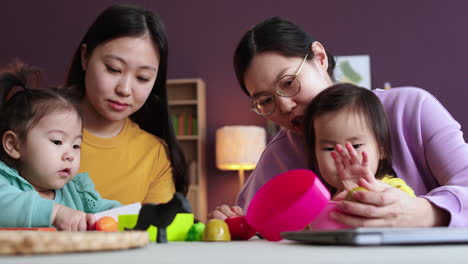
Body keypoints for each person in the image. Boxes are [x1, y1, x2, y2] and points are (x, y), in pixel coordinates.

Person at [210, 16, 468, 228]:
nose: (285, 106)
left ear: (319, 58)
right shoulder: (278, 157)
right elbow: (253, 224)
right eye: (265, 100)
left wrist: (425, 212)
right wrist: (231, 223)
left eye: (288, 83)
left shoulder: (411, 109)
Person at [65, 4, 187, 205]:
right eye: (113, 69)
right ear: (85, 57)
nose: (125, 89)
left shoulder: (154, 154)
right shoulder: (32, 124)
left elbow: (156, 233)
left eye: (143, 77)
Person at [0, 62, 121, 231]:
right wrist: (55, 213)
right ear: (14, 145)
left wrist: (134, 214)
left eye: (76, 145)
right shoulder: (4, 182)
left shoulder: (78, 193)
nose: (70, 155)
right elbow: (5, 205)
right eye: (57, 141)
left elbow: (106, 212)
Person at [303, 83, 415, 200]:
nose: (343, 156)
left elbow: (409, 206)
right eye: (329, 149)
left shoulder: (388, 188)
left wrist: (368, 191)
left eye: (355, 146)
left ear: (381, 149)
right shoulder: (322, 200)